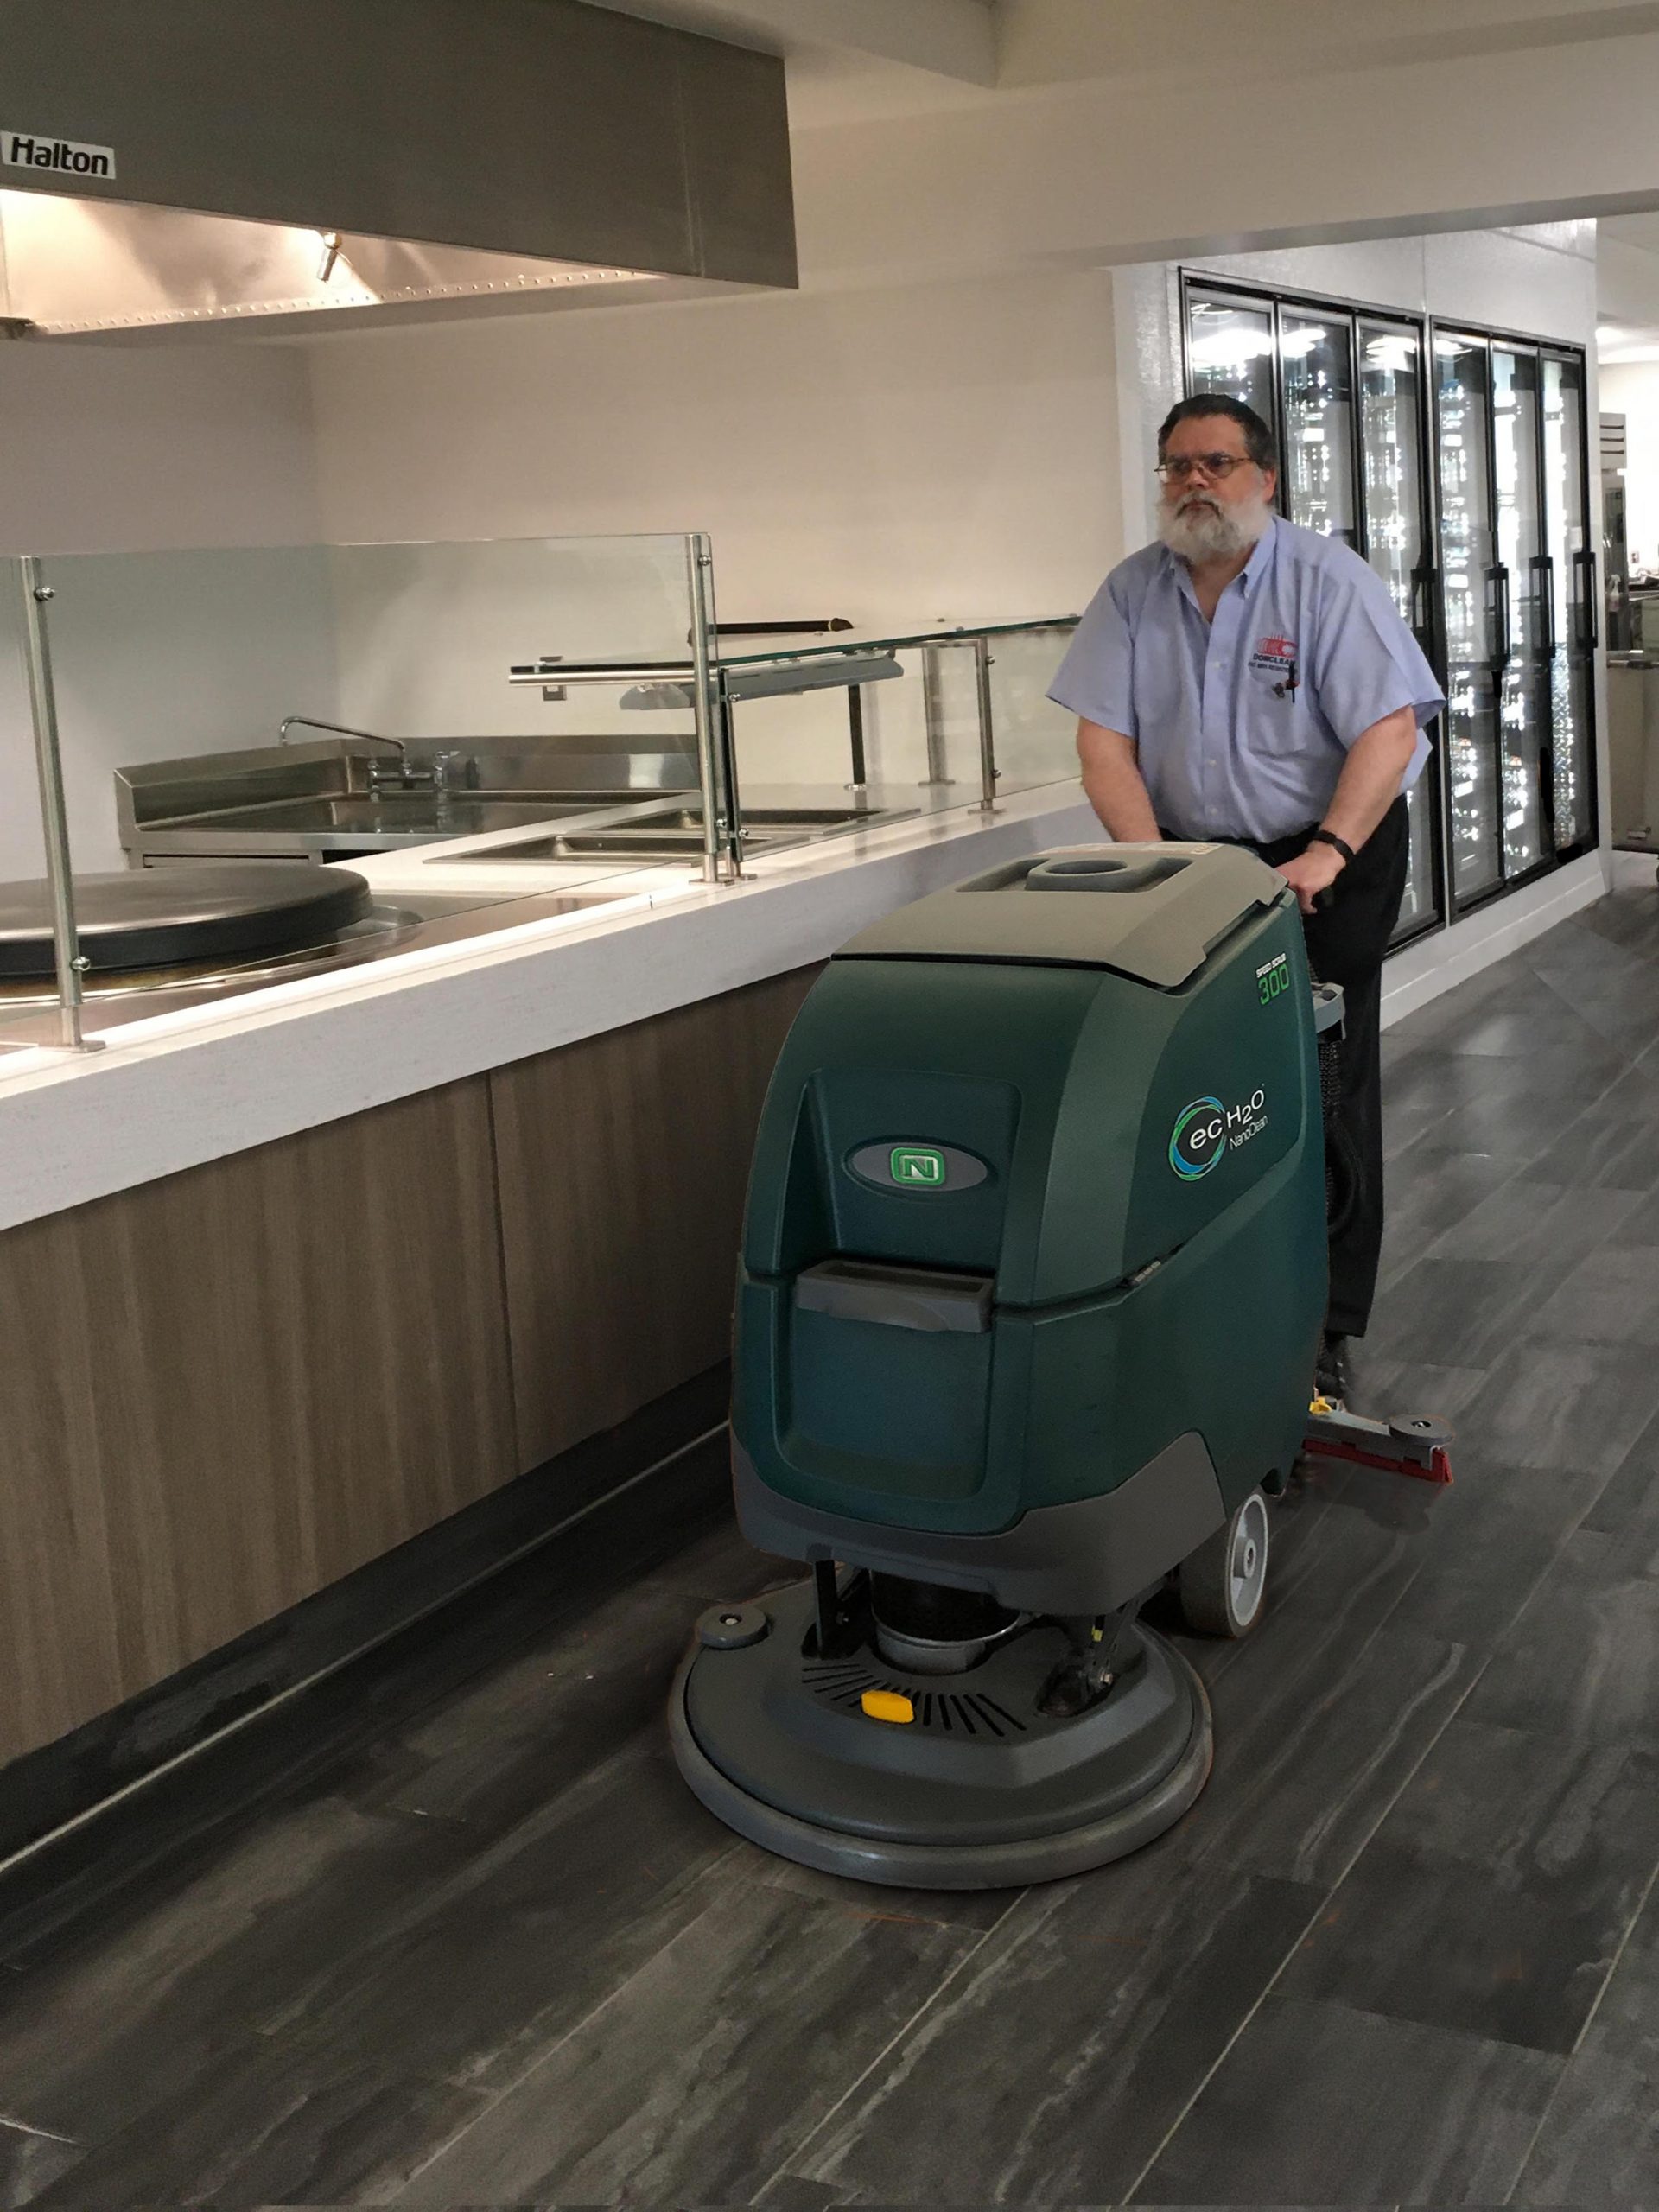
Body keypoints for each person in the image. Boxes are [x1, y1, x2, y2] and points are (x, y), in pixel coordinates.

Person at [1049, 393, 1446, 1403]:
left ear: (1265, 480)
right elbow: (1103, 741)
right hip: (1197, 859)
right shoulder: (1134, 592)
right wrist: (1155, 868)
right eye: (1177, 465)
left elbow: (1390, 732)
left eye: (1217, 464)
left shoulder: (1326, 581)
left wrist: (1327, 851)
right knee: (1204, 1077)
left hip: (1328, 849)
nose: (1194, 483)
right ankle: (1214, 1295)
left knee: (1321, 1074)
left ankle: (1324, 1320)